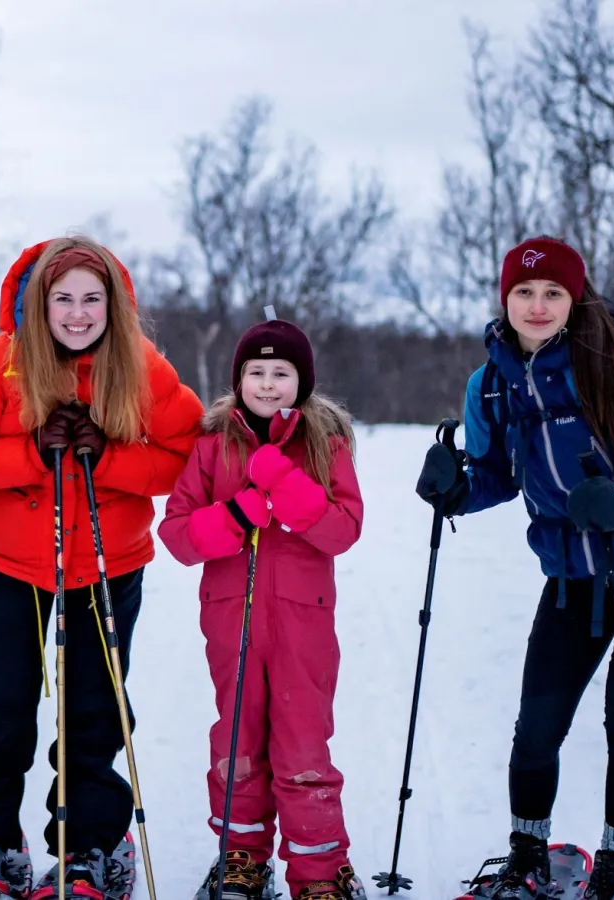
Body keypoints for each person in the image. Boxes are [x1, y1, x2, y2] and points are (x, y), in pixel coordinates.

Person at [415, 237, 614, 900]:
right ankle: (527, 858)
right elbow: (496, 478)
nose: (537, 306)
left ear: (575, 300)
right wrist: (455, 489)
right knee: (537, 725)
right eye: (523, 292)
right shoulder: (489, 383)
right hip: (572, 579)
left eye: (552, 294)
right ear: (504, 298)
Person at [0, 236, 204, 900]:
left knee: (93, 706)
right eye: (63, 298)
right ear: (37, 302)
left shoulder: (140, 366)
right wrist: (28, 451)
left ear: (115, 304)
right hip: (15, 562)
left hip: (107, 562)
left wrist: (107, 456)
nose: (77, 313)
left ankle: (92, 848)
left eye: (91, 299)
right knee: (1, 701)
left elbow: (186, 457)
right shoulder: (5, 363)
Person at [157, 312, 366, 900]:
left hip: (303, 626)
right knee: (237, 748)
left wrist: (285, 484)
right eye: (257, 372)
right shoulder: (212, 446)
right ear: (238, 378)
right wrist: (237, 513)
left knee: (302, 748)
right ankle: (242, 861)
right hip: (231, 624)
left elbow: (343, 529)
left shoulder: (325, 444)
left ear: (302, 381)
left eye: (281, 372)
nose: (268, 384)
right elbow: (176, 535)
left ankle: (321, 873)